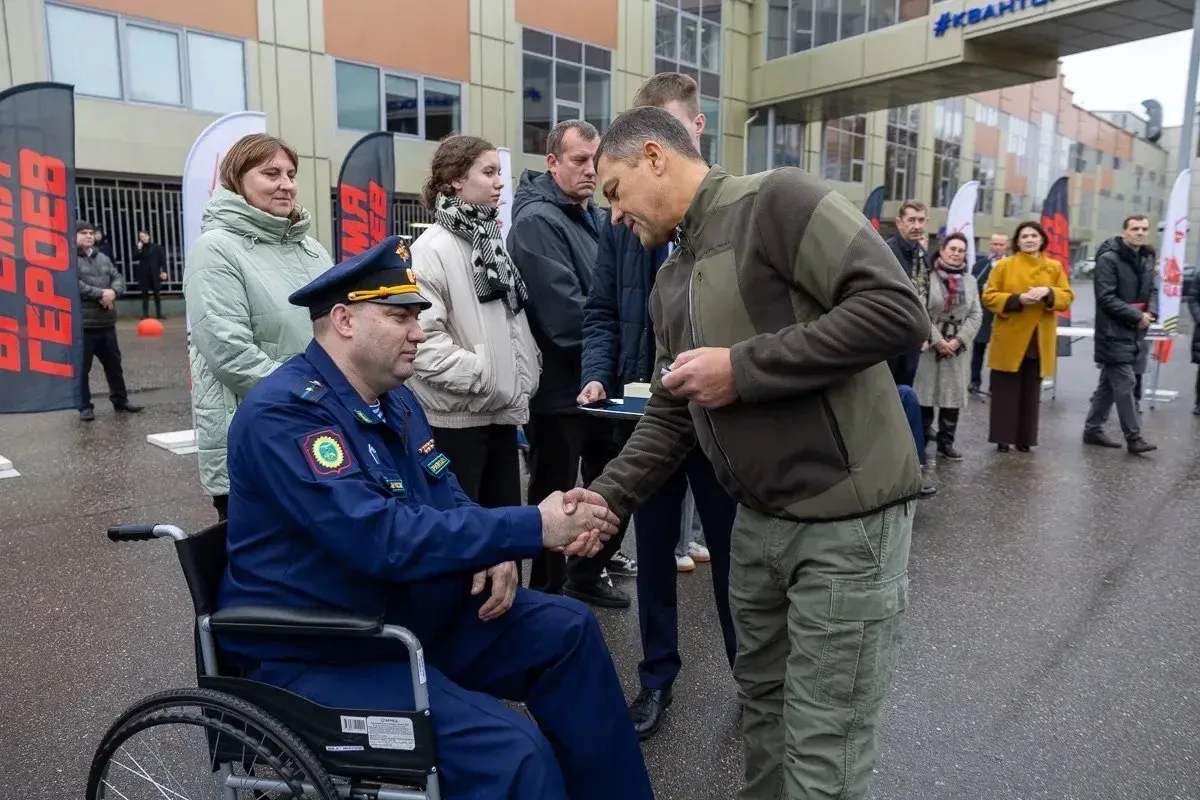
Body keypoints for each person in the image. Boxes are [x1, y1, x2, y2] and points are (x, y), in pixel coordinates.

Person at [215, 235, 653, 800]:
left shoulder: (393, 398)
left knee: (569, 631)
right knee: (515, 757)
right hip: (324, 649)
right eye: (400, 317)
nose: (419, 332)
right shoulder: (286, 415)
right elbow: (381, 538)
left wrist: (494, 549)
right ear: (344, 321)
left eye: (416, 317)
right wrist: (533, 528)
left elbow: (444, 493)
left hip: (402, 617)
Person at [586, 106, 929, 800]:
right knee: (764, 718)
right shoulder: (670, 280)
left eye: (615, 191)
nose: (614, 216)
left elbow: (897, 311)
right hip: (758, 526)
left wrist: (742, 370)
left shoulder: (778, 201)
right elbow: (671, 410)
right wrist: (604, 500)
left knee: (823, 749)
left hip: (846, 524)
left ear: (653, 156)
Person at [579, 71, 737, 740]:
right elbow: (600, 311)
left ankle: (751, 675)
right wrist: (597, 374)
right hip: (646, 415)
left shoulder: (737, 216)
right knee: (652, 555)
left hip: (720, 418)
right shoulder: (623, 223)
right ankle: (655, 678)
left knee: (733, 556)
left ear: (691, 129)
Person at [507, 119, 636, 606]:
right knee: (555, 496)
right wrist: (619, 339)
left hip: (599, 383)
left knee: (610, 488)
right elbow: (565, 316)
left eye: (594, 161)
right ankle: (547, 591)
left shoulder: (594, 217)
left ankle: (583, 576)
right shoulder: (537, 222)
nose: (590, 170)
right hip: (559, 392)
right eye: (579, 160)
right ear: (552, 162)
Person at [184, 134, 333, 521]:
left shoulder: (312, 249)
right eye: (271, 174)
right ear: (237, 178)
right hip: (258, 432)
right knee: (267, 553)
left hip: (322, 425)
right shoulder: (216, 248)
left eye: (291, 174)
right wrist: (317, 395)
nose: (286, 184)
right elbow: (230, 353)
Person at [408, 135, 540, 508]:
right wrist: (483, 375)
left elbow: (512, 322)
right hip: (456, 424)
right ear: (455, 180)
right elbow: (421, 338)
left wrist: (527, 367)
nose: (500, 183)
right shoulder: (430, 250)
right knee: (464, 534)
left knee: (501, 533)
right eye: (489, 172)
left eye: (500, 173)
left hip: (499, 414)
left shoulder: (491, 242)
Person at [982, 221, 1075, 453]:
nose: (1030, 240)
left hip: (1038, 338)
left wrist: (1048, 292)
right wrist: (1016, 299)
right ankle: (1003, 437)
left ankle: (1025, 438)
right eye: (1024, 236)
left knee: (1030, 392)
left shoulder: (1054, 267)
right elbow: (989, 297)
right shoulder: (1004, 265)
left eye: (1034, 235)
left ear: (1042, 239)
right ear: (1018, 241)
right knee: (1005, 390)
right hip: (1009, 336)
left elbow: (1067, 297)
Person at [1083, 214, 1158, 454]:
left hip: (1135, 331)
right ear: (1124, 231)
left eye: (1144, 229)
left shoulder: (1146, 257)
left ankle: (1092, 430)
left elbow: (1152, 290)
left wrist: (1151, 312)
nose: (1140, 233)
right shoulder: (1108, 259)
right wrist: (1137, 316)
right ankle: (1134, 438)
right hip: (1112, 332)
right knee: (1126, 382)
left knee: (1108, 385)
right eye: (1135, 228)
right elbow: (1105, 297)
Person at [914, 232, 982, 462]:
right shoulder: (927, 277)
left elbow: (976, 315)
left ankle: (946, 443)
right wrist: (938, 340)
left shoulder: (970, 281)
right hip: (930, 345)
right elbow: (920, 310)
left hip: (957, 349)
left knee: (951, 396)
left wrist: (958, 340)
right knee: (925, 394)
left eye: (961, 250)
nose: (956, 253)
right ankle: (922, 441)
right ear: (942, 250)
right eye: (952, 249)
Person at [76, 220, 142, 421]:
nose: (89, 236)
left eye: (91, 233)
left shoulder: (103, 257)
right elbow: (74, 284)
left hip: (106, 323)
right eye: (83, 233)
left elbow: (118, 278)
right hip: (83, 325)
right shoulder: (67, 259)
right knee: (82, 369)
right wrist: (100, 294)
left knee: (114, 365)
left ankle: (120, 400)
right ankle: (84, 406)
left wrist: (113, 292)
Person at [884, 200, 931, 386]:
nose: (917, 226)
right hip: (889, 337)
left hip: (913, 338)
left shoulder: (923, 254)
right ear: (899, 223)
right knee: (887, 391)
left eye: (921, 220)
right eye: (911, 220)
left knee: (906, 388)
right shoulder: (886, 251)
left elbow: (924, 293)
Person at [970, 233, 1008, 393]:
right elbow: (972, 286)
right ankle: (974, 382)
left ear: (1006, 246)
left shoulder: (1010, 265)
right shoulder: (980, 265)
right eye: (995, 244)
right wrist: (983, 288)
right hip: (984, 313)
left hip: (1003, 314)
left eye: (1001, 245)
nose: (997, 248)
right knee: (978, 349)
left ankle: (995, 385)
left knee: (999, 352)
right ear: (990, 245)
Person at [133, 228, 167, 320]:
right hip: (143, 274)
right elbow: (134, 258)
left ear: (149, 236)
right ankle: (145, 314)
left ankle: (159, 313)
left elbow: (162, 261)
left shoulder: (156, 247)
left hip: (155, 274)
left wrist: (164, 271)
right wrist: (139, 249)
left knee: (157, 293)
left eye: (145, 236)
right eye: (141, 237)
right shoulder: (139, 247)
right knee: (144, 294)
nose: (143, 238)